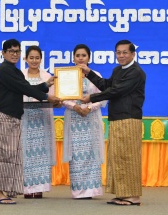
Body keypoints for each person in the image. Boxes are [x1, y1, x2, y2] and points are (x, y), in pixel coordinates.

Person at [0, 39, 60, 204]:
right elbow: (26, 89)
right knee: (2, 155)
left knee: (5, 155)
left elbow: (25, 88)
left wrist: (46, 85)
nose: (14, 54)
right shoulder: (5, 70)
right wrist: (47, 96)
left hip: (10, 117)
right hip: (3, 117)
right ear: (3, 53)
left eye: (17, 51)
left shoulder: (14, 71)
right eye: (11, 51)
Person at [80, 40, 146, 206]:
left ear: (132, 54)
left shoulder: (136, 72)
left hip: (129, 118)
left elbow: (117, 91)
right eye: (118, 52)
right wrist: (89, 73)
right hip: (117, 119)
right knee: (118, 157)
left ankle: (133, 196)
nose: (121, 55)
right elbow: (106, 85)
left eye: (125, 52)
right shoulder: (118, 70)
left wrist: (91, 98)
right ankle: (122, 194)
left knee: (129, 157)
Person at [62, 44, 107, 199]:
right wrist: (74, 106)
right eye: (77, 55)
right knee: (76, 155)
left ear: (89, 58)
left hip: (91, 119)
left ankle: (91, 190)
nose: (80, 58)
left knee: (91, 154)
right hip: (74, 119)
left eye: (84, 55)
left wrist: (89, 108)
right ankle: (78, 191)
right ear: (73, 58)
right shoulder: (66, 75)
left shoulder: (96, 75)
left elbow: (104, 96)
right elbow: (62, 98)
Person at [21, 45, 57, 199]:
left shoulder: (47, 77)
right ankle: (27, 188)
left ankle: (40, 187)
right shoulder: (20, 76)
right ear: (26, 59)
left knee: (41, 154)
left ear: (41, 59)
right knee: (26, 153)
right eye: (31, 58)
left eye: (37, 58)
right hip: (25, 120)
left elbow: (54, 97)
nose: (34, 61)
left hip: (42, 120)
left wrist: (57, 101)